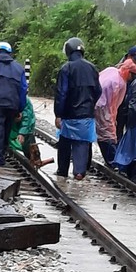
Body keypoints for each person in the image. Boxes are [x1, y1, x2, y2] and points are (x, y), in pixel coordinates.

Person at [54, 37, 102, 181]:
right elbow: (98, 90)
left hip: (69, 114)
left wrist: (58, 114)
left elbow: (61, 93)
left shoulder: (66, 68)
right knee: (82, 143)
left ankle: (62, 171)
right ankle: (79, 172)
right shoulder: (92, 68)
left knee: (64, 142)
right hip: (86, 114)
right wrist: (90, 103)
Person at [95, 59, 136, 166]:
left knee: (100, 133)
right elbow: (112, 104)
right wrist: (113, 120)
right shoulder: (118, 83)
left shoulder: (111, 70)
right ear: (128, 72)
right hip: (103, 107)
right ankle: (112, 160)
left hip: (94, 104)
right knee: (107, 134)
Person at [116, 46, 136, 141]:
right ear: (129, 56)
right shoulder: (119, 68)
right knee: (119, 127)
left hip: (132, 100)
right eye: (134, 59)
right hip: (120, 101)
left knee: (130, 126)